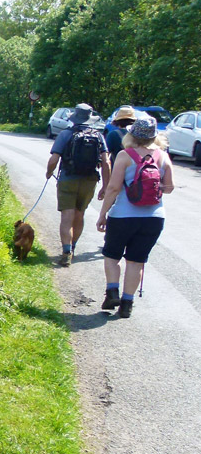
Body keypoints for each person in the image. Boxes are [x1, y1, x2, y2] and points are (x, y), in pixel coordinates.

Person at [96, 116, 174, 318]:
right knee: (136, 262)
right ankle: (127, 304)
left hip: (122, 216)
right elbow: (169, 188)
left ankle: (112, 291)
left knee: (112, 255)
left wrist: (103, 214)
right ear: (155, 136)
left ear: (131, 134)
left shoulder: (124, 155)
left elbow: (113, 188)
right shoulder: (163, 156)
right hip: (154, 218)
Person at [45, 103, 111, 266]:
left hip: (68, 178)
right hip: (89, 180)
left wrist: (48, 173)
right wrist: (105, 186)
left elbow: (54, 158)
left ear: (74, 117)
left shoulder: (66, 134)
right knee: (79, 214)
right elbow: (106, 162)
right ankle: (73, 247)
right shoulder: (98, 135)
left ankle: (66, 251)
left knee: (67, 215)